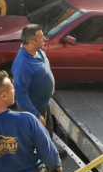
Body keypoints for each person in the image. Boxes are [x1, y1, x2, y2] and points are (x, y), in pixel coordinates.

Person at [12, 24, 67, 158]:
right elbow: (20, 95)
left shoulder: (39, 52)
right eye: (41, 37)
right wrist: (36, 115)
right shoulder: (23, 64)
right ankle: (41, 165)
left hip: (44, 103)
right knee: (33, 137)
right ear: (31, 42)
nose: (45, 39)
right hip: (33, 109)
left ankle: (49, 151)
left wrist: (50, 90)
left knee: (47, 129)